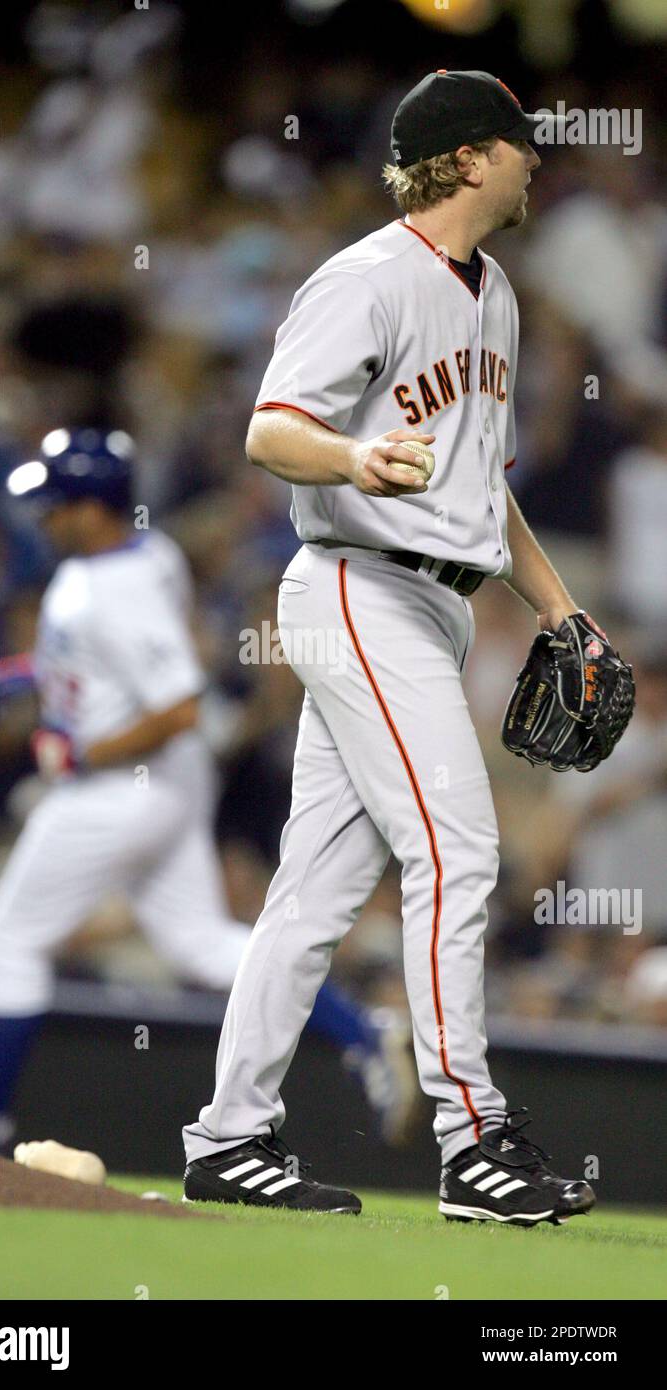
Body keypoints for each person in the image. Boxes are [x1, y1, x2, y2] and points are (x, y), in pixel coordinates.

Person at [182, 71, 598, 1226]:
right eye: (515, 144)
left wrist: (560, 607)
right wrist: (356, 461)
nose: (530, 158)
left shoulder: (498, 293)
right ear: (467, 158)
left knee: (314, 891)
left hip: (433, 601)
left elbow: (484, 484)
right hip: (357, 586)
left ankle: (226, 1136)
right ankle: (472, 1142)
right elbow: (273, 428)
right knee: (458, 850)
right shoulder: (362, 278)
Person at [0, 429, 415, 1150]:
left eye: (58, 501)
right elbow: (114, 658)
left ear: (93, 508)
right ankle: (361, 1030)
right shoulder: (146, 554)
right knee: (202, 945)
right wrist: (31, 673)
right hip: (170, 788)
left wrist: (83, 744)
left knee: (11, 935)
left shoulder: (108, 589)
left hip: (120, 788)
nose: (45, 514)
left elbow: (178, 704)